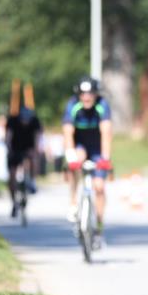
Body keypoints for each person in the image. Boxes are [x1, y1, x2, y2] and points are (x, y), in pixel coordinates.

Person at [62, 76, 113, 246]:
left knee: (99, 187)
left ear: (96, 94)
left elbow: (106, 132)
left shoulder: (102, 105)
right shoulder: (72, 105)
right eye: (83, 94)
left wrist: (105, 158)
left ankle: (98, 227)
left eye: (90, 93)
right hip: (80, 144)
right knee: (76, 161)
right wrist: (70, 156)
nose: (86, 97)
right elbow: (68, 132)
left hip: (97, 148)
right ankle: (73, 202)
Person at [6, 106, 43, 218]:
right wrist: (9, 150)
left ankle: (32, 180)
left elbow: (37, 138)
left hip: (28, 149)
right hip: (15, 149)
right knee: (12, 177)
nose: (25, 123)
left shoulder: (35, 121)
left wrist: (35, 152)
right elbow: (8, 137)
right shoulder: (12, 121)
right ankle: (14, 202)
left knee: (33, 160)